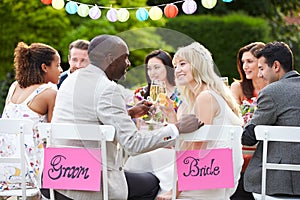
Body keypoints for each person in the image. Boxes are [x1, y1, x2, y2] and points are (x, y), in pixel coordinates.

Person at [50, 34, 202, 200]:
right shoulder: (107, 88)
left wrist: (128, 113)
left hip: (59, 177)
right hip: (93, 185)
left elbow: (87, 117)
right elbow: (133, 144)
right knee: (154, 182)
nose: (128, 64)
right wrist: (177, 129)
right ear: (110, 59)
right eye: (125, 58)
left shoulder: (71, 80)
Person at [157, 42, 243, 200]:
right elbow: (182, 141)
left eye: (183, 64)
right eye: (175, 66)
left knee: (153, 186)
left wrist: (175, 190)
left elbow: (197, 149)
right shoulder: (200, 96)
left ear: (198, 65)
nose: (177, 70)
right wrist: (170, 113)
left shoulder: (206, 97)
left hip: (207, 177)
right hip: (212, 174)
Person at [0, 42, 62, 195]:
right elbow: (54, 135)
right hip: (32, 175)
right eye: (58, 65)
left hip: (5, 172)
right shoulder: (49, 92)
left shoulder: (14, 87)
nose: (61, 70)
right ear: (44, 67)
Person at [242, 41, 300, 197]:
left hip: (279, 179)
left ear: (276, 66)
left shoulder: (272, 92)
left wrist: (246, 124)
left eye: (261, 68)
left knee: (238, 184)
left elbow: (247, 138)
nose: (259, 74)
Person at [125, 49, 182, 194]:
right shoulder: (141, 94)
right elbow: (137, 126)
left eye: (157, 67)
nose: (152, 72)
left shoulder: (180, 94)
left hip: (169, 147)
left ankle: (168, 191)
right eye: (149, 68)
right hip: (146, 145)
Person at [230, 42, 267, 200]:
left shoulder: (274, 87)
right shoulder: (237, 87)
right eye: (243, 62)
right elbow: (234, 120)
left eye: (250, 61)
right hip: (243, 146)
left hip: (265, 146)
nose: (245, 66)